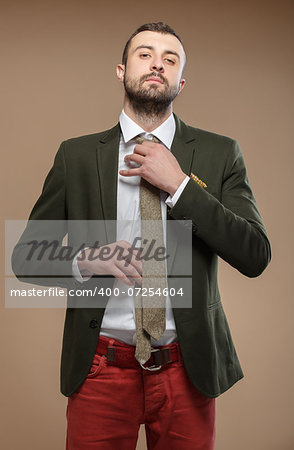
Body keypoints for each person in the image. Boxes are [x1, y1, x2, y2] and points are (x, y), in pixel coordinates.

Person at [12, 22, 271, 450]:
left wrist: (181, 187)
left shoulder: (219, 153)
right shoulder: (75, 156)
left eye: (170, 59)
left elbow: (255, 254)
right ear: (121, 70)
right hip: (100, 368)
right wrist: (84, 262)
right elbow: (22, 259)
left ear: (180, 82)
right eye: (145, 54)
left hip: (186, 370)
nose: (157, 64)